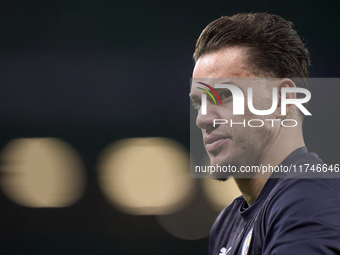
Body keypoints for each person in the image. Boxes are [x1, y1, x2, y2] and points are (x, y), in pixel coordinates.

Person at [189, 13, 340, 255]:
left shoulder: (310, 200)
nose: (202, 119)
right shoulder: (226, 225)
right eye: (198, 103)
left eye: (226, 95)